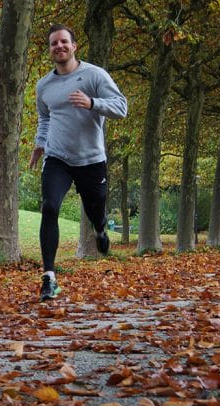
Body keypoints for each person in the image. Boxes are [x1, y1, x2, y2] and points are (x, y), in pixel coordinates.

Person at [28, 23, 127, 302]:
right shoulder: (44, 86)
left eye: (63, 42)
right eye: (53, 44)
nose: (59, 47)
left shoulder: (95, 75)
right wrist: (40, 143)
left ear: (73, 46)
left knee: (95, 208)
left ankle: (100, 227)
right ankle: (49, 278)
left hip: (91, 159)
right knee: (49, 207)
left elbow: (121, 107)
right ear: (50, 50)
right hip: (57, 157)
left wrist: (93, 103)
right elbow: (45, 119)